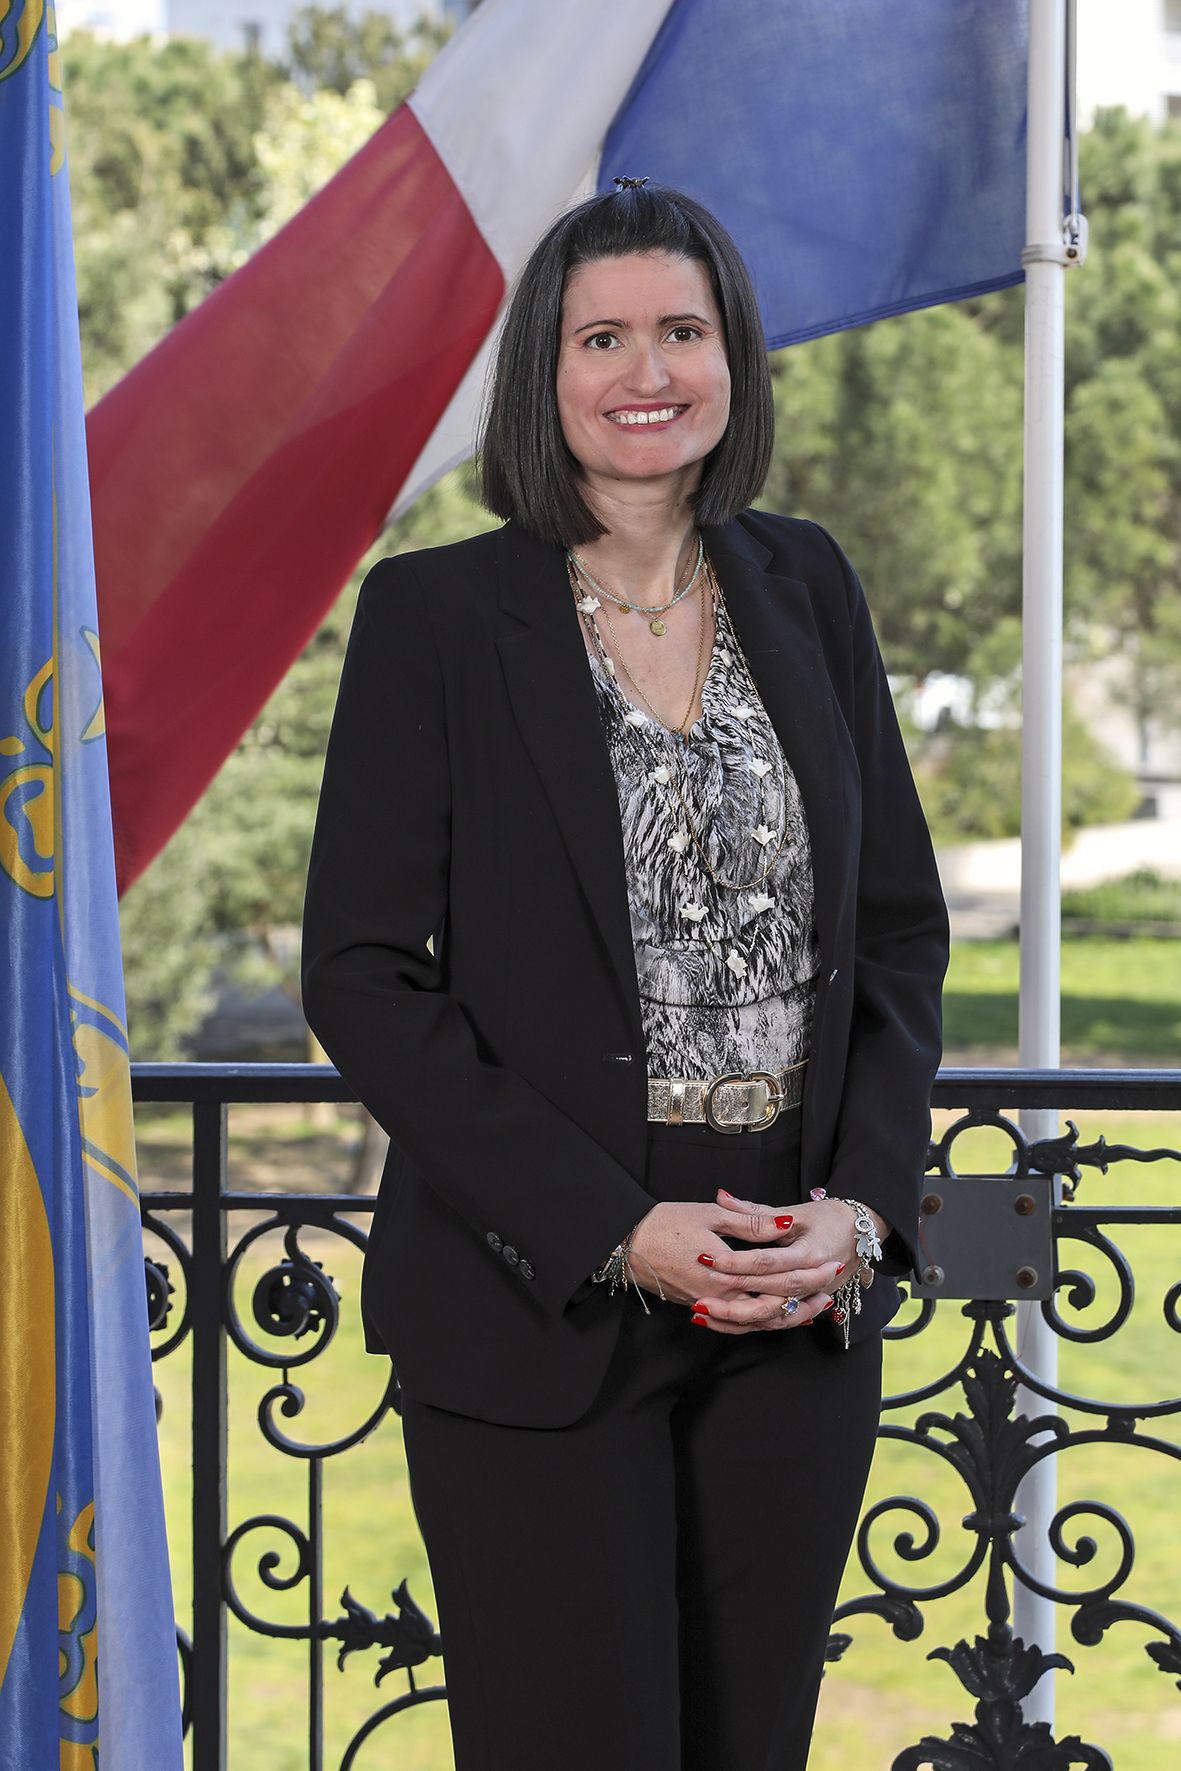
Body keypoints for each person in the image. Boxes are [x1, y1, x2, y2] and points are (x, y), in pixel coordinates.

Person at [301, 178, 949, 1771]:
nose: (645, 372)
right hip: (541, 1298)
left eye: (680, 331)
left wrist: (864, 1213)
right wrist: (611, 1228)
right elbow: (362, 975)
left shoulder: (809, 586)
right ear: (546, 370)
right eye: (601, 338)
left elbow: (893, 937)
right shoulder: (435, 615)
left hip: (790, 1297)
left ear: (732, 359)